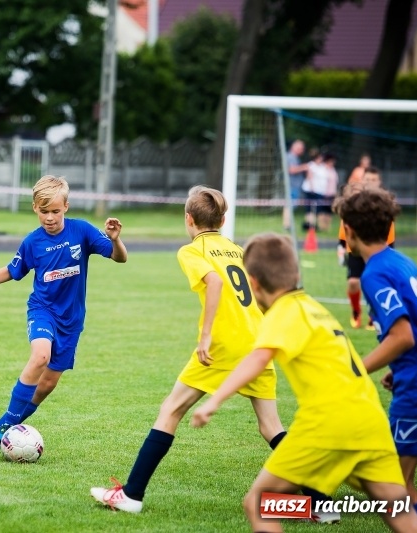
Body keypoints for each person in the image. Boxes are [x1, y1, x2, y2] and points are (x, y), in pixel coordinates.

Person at [190, 232, 417, 533]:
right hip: (369, 420)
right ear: (295, 273)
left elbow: (257, 359)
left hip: (328, 420)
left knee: (258, 504)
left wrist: (214, 400)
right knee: (399, 513)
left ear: (254, 283)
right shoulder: (317, 309)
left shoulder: (283, 312)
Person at [90, 186, 289, 515]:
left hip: (225, 344)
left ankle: (131, 495)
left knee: (170, 409)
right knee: (270, 426)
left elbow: (215, 282)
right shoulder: (237, 250)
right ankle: (321, 501)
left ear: (188, 219)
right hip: (258, 341)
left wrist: (206, 336)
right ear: (224, 220)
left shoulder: (192, 251)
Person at [0, 175, 127, 446]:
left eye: (56, 211)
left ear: (66, 207)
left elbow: (120, 257)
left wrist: (116, 240)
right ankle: (6, 423)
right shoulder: (32, 242)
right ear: (35, 208)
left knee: (47, 385)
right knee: (40, 356)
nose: (50, 217)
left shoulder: (82, 231)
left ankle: (8, 426)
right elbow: (13, 271)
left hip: (71, 321)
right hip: (42, 310)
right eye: (44, 211)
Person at [337, 187, 417, 522]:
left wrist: (356, 369)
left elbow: (403, 336)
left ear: (349, 230)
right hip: (416, 374)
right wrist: (399, 368)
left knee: (397, 487)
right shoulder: (403, 261)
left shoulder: (374, 273)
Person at [335, 167, 395, 329]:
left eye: (373, 180)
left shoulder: (384, 206)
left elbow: (389, 233)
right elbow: (344, 228)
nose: (370, 183)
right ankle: (356, 311)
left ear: (379, 182)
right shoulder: (355, 202)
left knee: (375, 281)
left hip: (378, 250)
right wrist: (341, 246)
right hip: (357, 250)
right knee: (354, 282)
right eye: (367, 180)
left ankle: (374, 314)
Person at [303, 151, 337, 232]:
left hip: (320, 192)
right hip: (311, 191)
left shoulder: (322, 167)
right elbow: (309, 177)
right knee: (310, 209)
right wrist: (312, 188)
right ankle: (309, 225)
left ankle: (316, 226)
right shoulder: (312, 165)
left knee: (318, 210)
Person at [283, 139, 309, 230]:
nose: (302, 150)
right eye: (300, 148)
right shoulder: (291, 157)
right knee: (289, 205)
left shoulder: (294, 157)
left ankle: (288, 225)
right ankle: (287, 225)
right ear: (294, 147)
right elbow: (292, 170)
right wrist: (304, 167)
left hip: (295, 186)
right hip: (292, 185)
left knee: (291, 205)